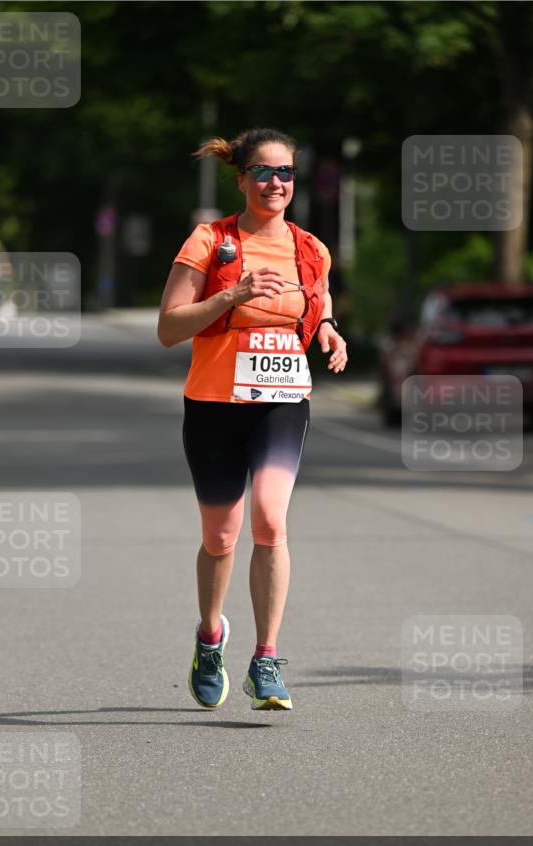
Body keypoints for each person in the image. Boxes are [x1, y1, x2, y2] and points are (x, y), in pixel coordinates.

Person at [158, 127, 348, 711]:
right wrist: (230, 296)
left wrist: (327, 330)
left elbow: (315, 298)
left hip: (282, 400)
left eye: (286, 172)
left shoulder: (310, 247)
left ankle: (266, 659)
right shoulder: (210, 241)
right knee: (220, 536)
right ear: (241, 178)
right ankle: (210, 636)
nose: (276, 182)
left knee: (271, 520)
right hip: (213, 403)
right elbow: (169, 327)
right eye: (264, 172)